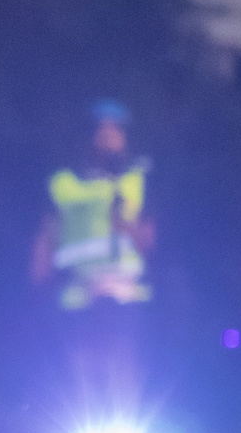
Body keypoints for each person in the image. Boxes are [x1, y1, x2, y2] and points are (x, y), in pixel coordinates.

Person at [33, 99, 152, 416]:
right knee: (80, 362)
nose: (107, 138)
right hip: (77, 292)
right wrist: (36, 283)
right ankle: (84, 429)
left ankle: (127, 426)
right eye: (100, 131)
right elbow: (46, 236)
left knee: (124, 359)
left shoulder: (137, 180)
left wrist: (124, 222)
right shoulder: (64, 183)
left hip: (125, 293)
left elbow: (151, 241)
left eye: (114, 131)